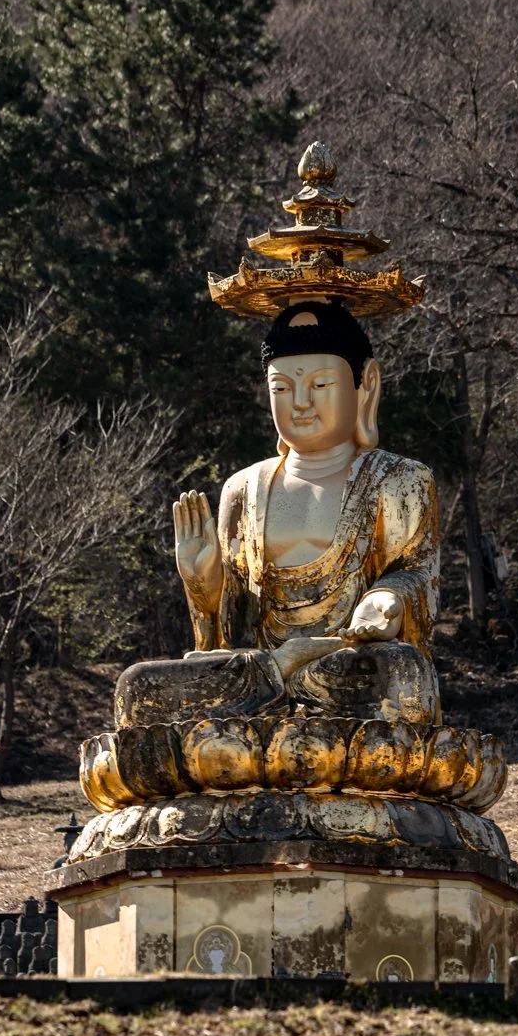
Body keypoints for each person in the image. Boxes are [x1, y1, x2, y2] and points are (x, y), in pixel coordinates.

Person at [115, 300, 440, 729]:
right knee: (138, 687)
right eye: (281, 389)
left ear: (367, 385)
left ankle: (248, 728)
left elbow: (418, 572)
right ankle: (267, 702)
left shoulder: (398, 479)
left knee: (400, 676)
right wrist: (204, 584)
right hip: (260, 671)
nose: (300, 403)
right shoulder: (242, 489)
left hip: (346, 665)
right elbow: (232, 631)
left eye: (321, 385)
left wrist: (387, 599)